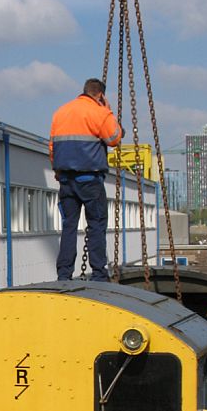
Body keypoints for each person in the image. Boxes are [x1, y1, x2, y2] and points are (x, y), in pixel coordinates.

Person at [49, 78, 122, 281]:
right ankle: (99, 273)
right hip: (90, 179)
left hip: (65, 180)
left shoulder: (61, 112)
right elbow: (114, 138)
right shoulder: (99, 112)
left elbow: (53, 147)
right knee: (96, 224)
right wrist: (108, 111)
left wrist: (57, 171)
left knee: (69, 225)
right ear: (100, 95)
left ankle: (64, 274)